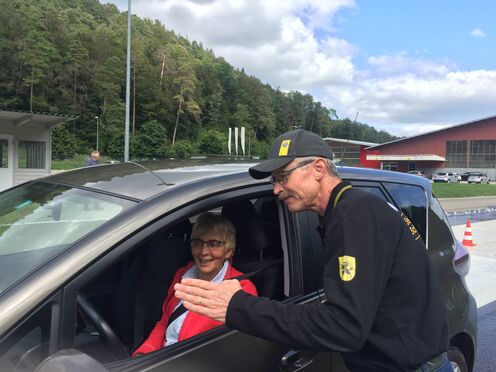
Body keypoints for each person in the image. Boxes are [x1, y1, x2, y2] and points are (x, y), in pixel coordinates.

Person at [174, 129, 452, 372]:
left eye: (283, 176)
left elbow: (345, 328)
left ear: (319, 168)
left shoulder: (352, 217)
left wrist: (238, 306)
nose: (277, 189)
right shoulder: (348, 211)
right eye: (274, 180)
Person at [132, 212, 257, 356]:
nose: (203, 252)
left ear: (228, 251)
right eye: (197, 242)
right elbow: (165, 321)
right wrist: (145, 352)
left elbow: (234, 349)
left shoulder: (241, 288)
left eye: (214, 244)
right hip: (163, 357)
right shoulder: (182, 273)